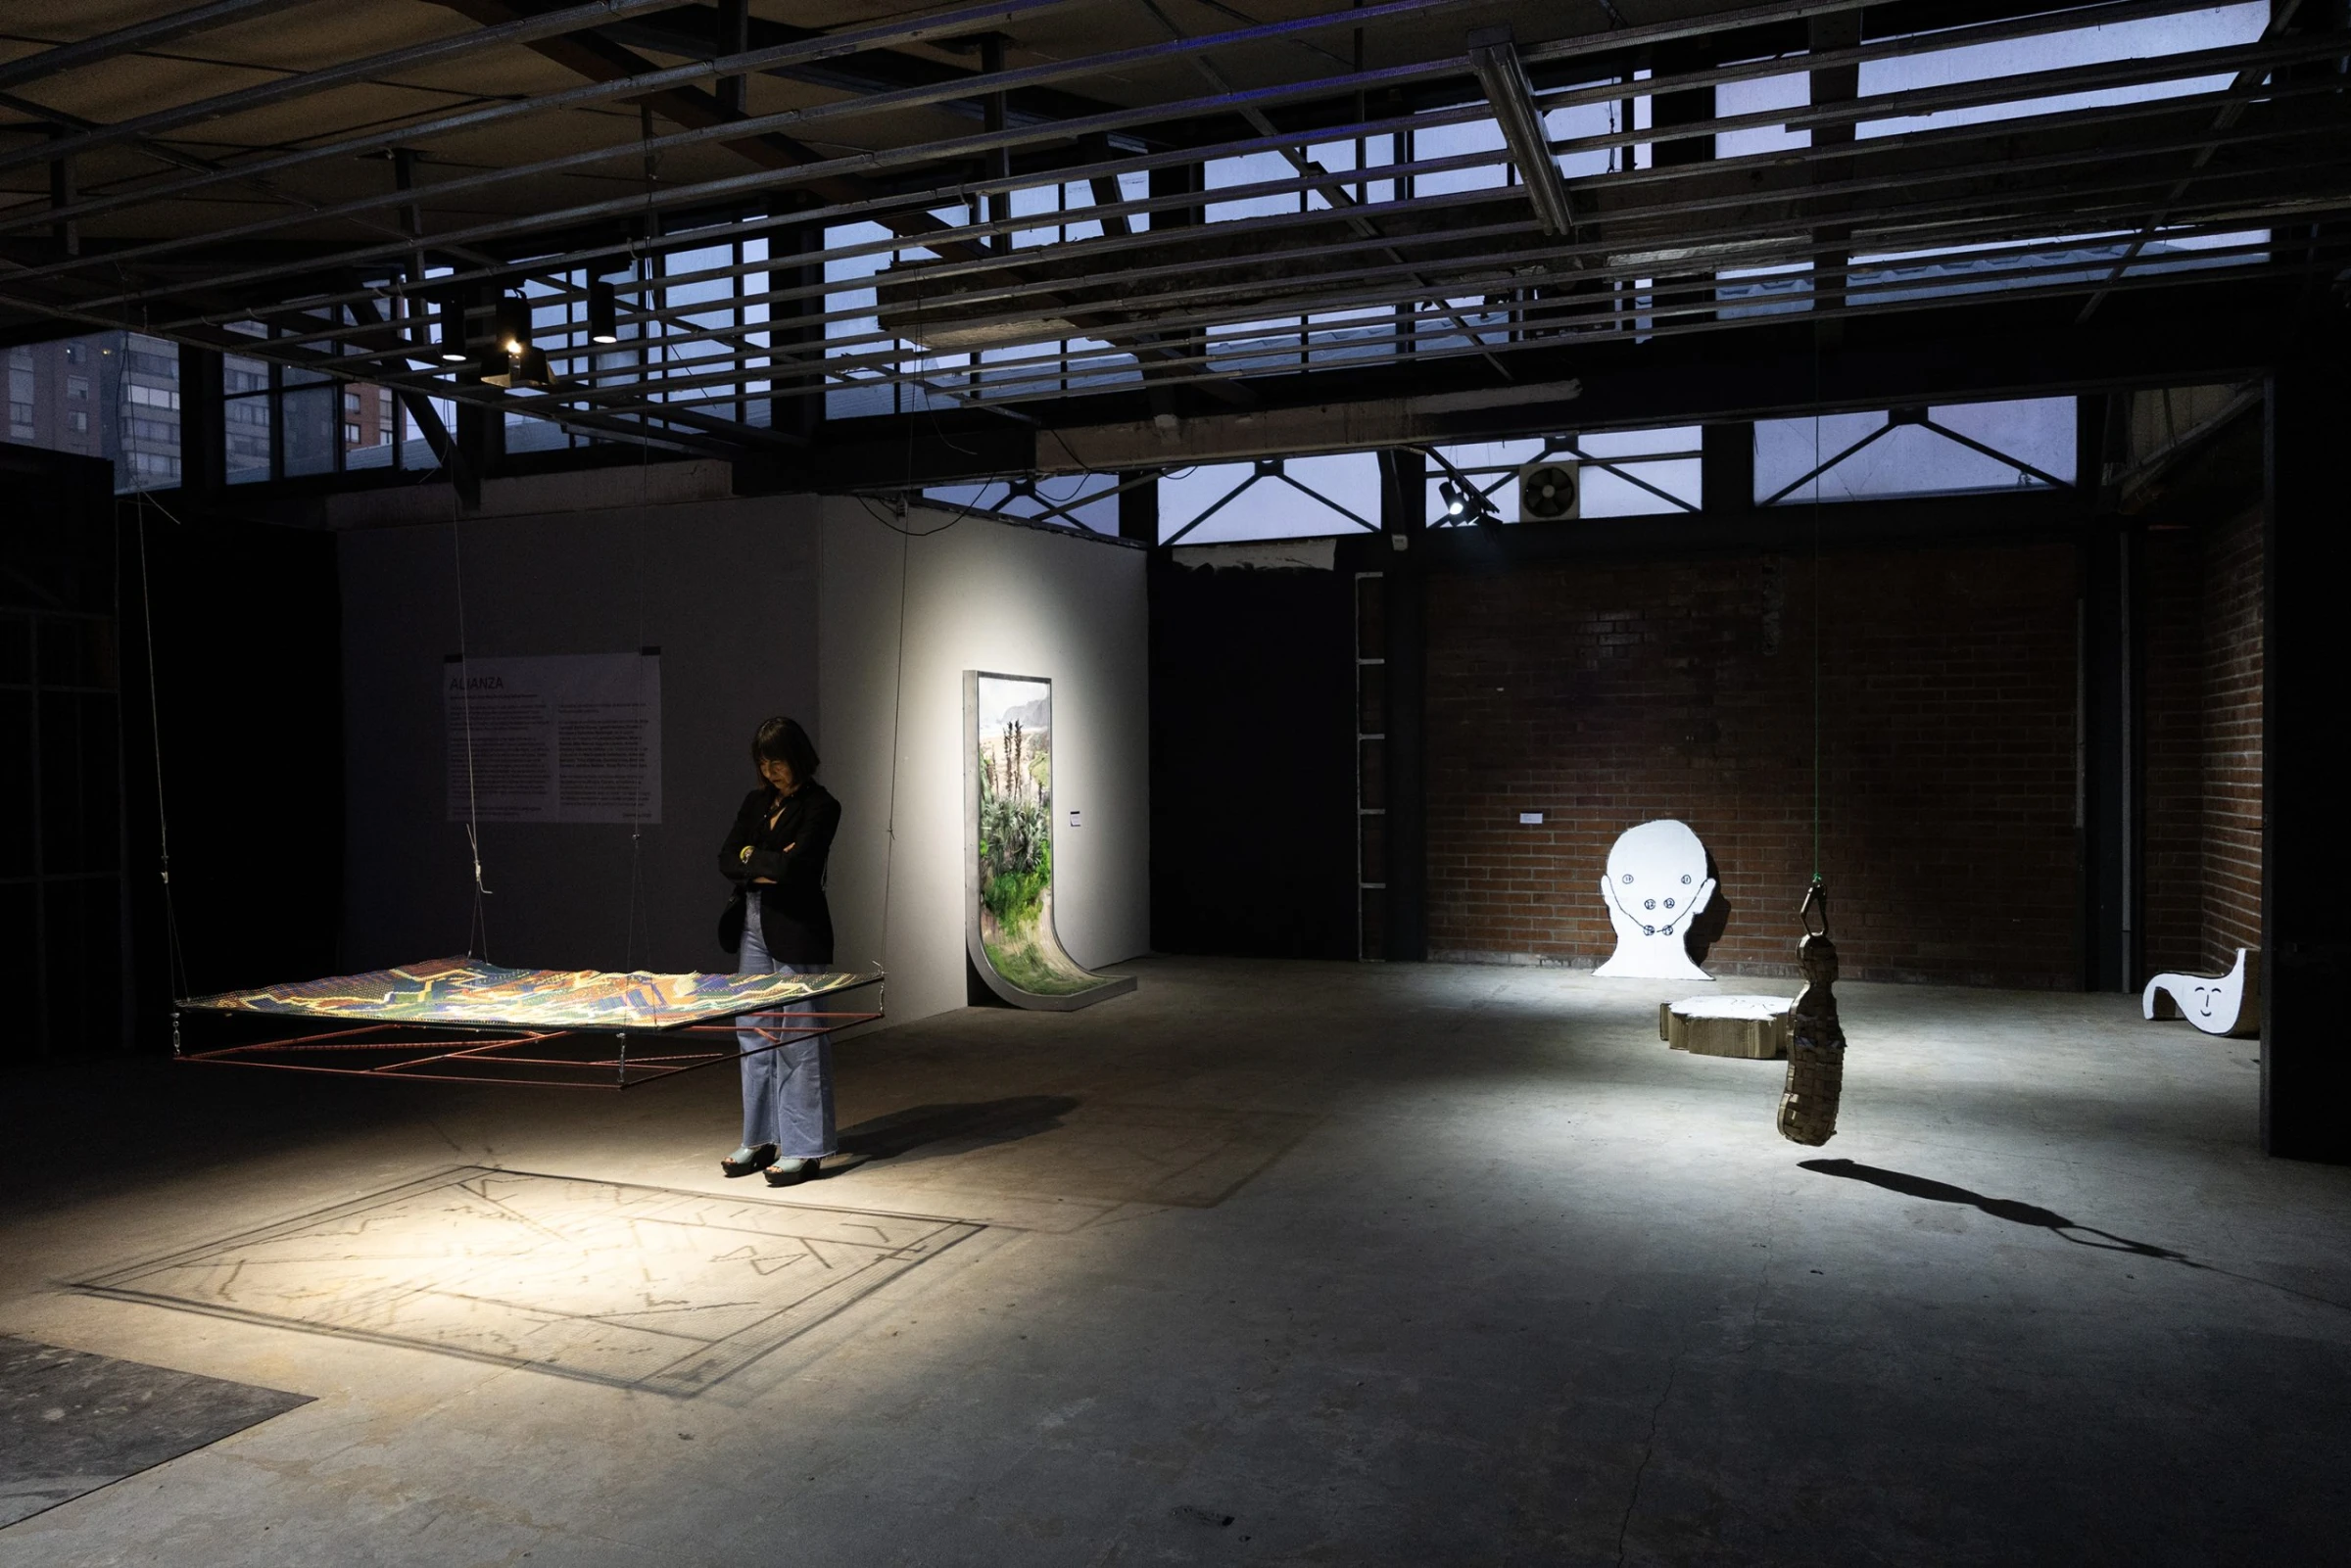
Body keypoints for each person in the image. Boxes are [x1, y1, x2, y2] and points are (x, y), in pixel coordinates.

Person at [717, 716, 841, 1186]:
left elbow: (799, 869)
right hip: (751, 920)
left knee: (800, 1034)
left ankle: (806, 1148)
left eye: (778, 760)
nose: (770, 770)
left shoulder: (822, 806)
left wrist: (756, 858)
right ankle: (760, 1137)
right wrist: (759, 861)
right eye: (763, 762)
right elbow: (727, 858)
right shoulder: (755, 802)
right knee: (752, 1030)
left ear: (798, 757)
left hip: (797, 926)